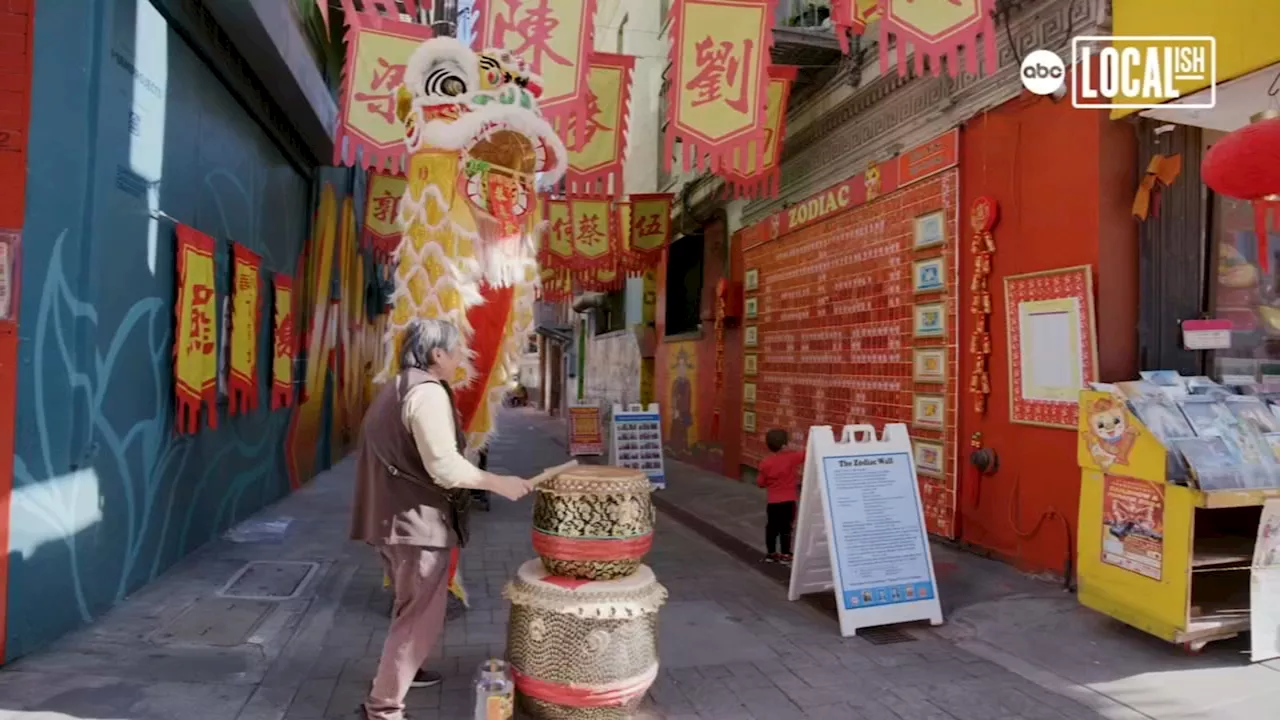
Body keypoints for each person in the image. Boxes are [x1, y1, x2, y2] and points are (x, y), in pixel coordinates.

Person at [350, 319, 533, 720]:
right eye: (456, 352)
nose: (459, 360)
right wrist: (499, 483)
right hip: (415, 523)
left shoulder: (398, 387)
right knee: (418, 617)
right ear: (436, 354)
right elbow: (446, 469)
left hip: (392, 519)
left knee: (408, 609)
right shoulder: (426, 393)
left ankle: (399, 674)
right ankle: (383, 708)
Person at [756, 428, 805, 564]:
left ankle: (771, 553)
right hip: (789, 501)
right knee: (786, 528)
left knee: (772, 527)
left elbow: (760, 483)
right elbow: (807, 454)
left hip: (773, 502)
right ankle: (786, 554)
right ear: (784, 445)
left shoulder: (766, 462)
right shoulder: (792, 457)